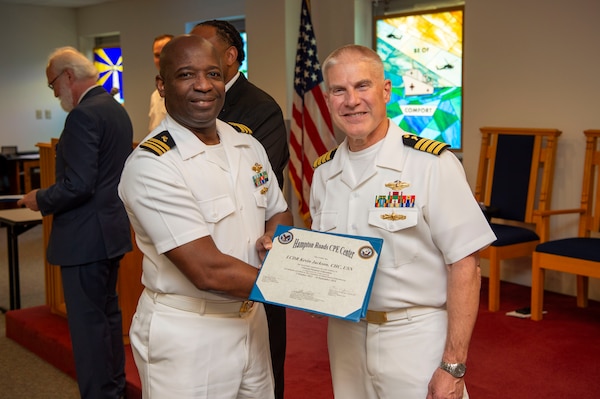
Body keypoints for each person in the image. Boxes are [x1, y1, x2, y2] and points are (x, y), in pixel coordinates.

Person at [309, 44, 497, 399]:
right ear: (328, 97)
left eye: (362, 86)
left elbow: (465, 265)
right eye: (339, 90)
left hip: (415, 336)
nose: (352, 100)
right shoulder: (324, 173)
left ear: (385, 91)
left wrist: (453, 365)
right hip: (345, 337)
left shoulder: (431, 164)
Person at [118, 34, 293, 399]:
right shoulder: (153, 165)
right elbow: (206, 270)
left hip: (251, 321)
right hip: (191, 333)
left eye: (213, 73)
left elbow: (278, 211)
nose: (203, 85)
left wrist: (276, 240)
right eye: (186, 75)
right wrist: (310, 289)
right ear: (162, 85)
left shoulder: (246, 143)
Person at [18, 46, 133, 399]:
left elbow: (79, 185)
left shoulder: (83, 116)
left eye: (53, 84)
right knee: (107, 322)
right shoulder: (115, 109)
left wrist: (41, 198)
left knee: (88, 330)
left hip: (85, 240)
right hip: (109, 234)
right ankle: (112, 390)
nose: (54, 93)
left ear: (68, 76)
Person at [190, 20, 289, 399]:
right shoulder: (190, 112)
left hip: (257, 259)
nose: (199, 84)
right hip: (203, 284)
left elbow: (261, 193)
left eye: (203, 46)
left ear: (230, 56)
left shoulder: (259, 107)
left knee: (264, 378)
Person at [148, 34, 173, 131]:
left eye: (165, 53)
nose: (161, 59)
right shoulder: (155, 95)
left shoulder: (189, 91)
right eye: (157, 55)